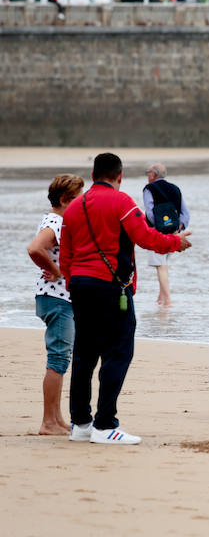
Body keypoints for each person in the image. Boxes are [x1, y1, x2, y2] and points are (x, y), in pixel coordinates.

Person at [61, 153, 192, 445]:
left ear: (93, 174)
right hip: (110, 287)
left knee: (83, 354)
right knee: (118, 352)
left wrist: (73, 283)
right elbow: (145, 237)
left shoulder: (73, 208)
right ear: (119, 176)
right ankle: (105, 424)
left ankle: (80, 424)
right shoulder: (121, 202)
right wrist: (176, 242)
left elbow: (66, 256)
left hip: (80, 286)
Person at [26, 174, 85, 435]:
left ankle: (58, 419)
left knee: (61, 358)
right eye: (79, 198)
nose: (83, 203)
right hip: (56, 298)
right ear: (64, 200)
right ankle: (48, 422)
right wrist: (57, 270)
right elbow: (35, 249)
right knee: (58, 358)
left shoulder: (57, 220)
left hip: (57, 298)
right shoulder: (56, 221)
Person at [143, 162, 190, 307]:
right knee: (163, 263)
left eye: (148, 173)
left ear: (153, 174)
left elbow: (150, 212)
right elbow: (185, 213)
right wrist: (178, 229)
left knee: (161, 265)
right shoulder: (175, 188)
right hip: (175, 234)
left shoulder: (149, 189)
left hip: (156, 233)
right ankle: (161, 299)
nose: (147, 175)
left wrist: (158, 230)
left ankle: (168, 302)